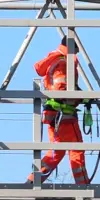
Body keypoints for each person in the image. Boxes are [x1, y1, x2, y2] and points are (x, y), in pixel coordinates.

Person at [27, 36, 91, 185]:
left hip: (55, 115)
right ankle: (83, 186)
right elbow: (62, 88)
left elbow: (66, 87)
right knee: (76, 149)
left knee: (57, 152)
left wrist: (82, 96)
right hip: (64, 115)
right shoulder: (64, 62)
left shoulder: (55, 59)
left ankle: (33, 180)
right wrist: (81, 98)